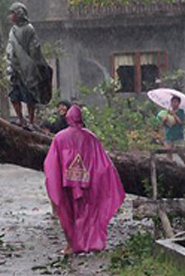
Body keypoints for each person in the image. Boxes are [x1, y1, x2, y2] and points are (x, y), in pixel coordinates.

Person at [44, 105, 125, 255]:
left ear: (68, 118)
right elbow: (102, 163)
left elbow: (51, 163)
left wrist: (56, 180)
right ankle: (91, 243)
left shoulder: (60, 137)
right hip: (87, 183)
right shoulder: (90, 137)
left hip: (66, 184)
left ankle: (70, 245)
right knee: (88, 214)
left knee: (68, 215)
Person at [6, 2, 52, 130]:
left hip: (27, 68)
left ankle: (31, 121)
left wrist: (35, 64)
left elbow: (34, 48)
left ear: (19, 14)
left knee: (29, 95)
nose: (10, 16)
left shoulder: (29, 29)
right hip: (14, 68)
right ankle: (21, 119)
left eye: (12, 13)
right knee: (14, 95)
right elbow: (10, 47)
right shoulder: (13, 30)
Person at [161, 95, 185, 166]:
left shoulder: (181, 112)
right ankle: (170, 166)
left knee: (180, 152)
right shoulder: (167, 112)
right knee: (168, 151)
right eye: (173, 102)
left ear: (179, 103)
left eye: (176, 102)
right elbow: (163, 124)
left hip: (178, 135)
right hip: (168, 135)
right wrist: (164, 120)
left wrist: (174, 115)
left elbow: (181, 122)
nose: (174, 104)